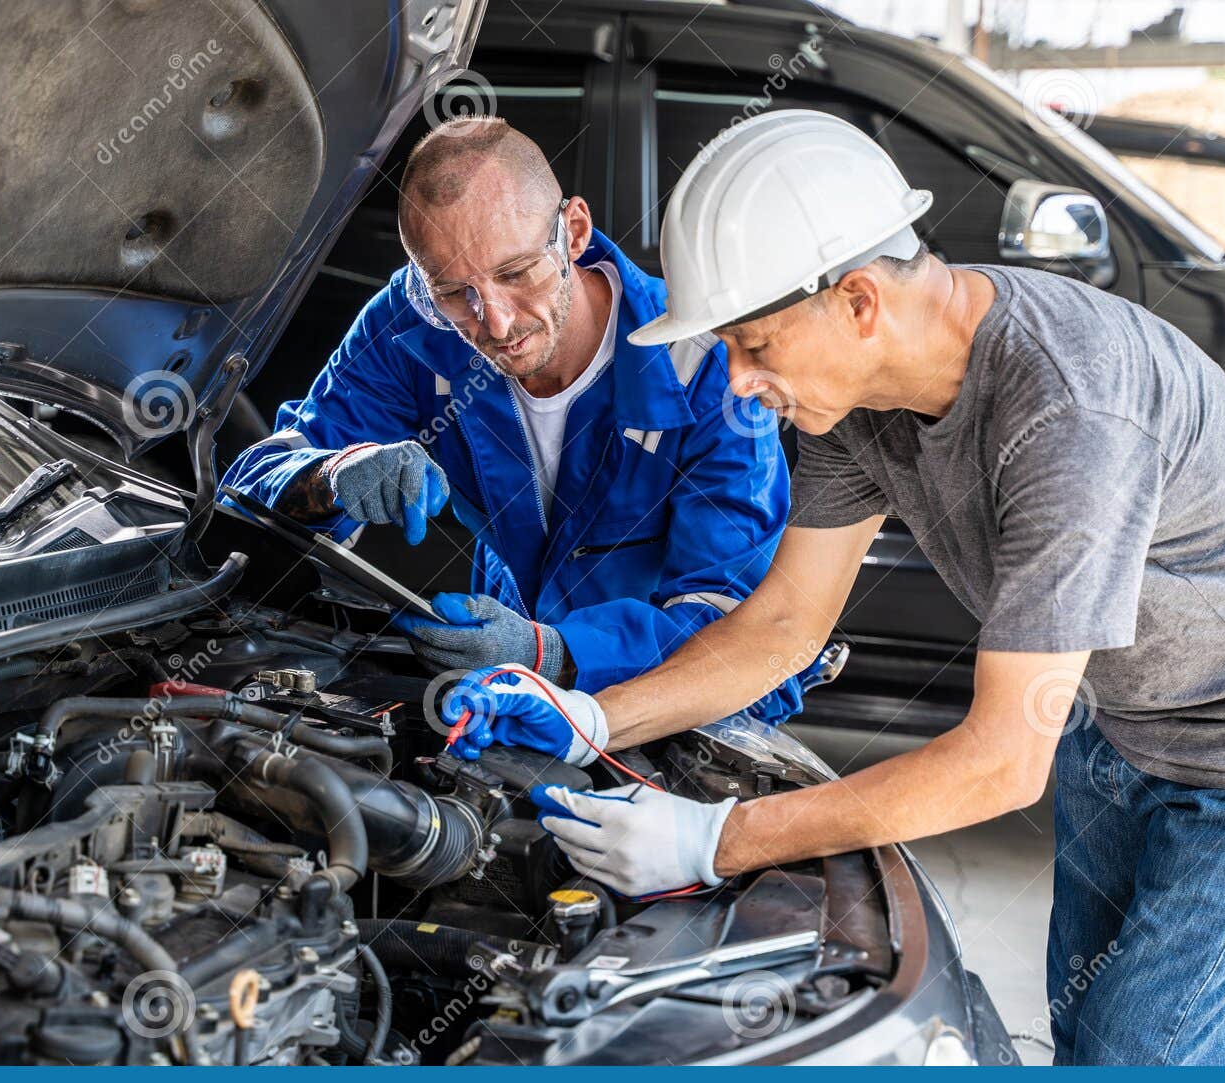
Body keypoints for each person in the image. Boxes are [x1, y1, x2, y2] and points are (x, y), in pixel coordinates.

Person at [440, 110, 1225, 1064]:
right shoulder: (860, 401)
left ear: (857, 300)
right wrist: (596, 719)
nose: (734, 383)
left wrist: (718, 841)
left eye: (756, 346)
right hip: (1122, 709)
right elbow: (782, 626)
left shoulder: (1067, 412)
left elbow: (1001, 762)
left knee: (1136, 1067)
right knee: (1088, 1024)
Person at [222, 116, 808, 720]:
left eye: (515, 273)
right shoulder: (411, 322)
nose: (494, 323)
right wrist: (334, 474)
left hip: (660, 714)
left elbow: (746, 633)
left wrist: (558, 653)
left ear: (573, 233)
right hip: (499, 702)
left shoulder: (707, 368)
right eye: (453, 292)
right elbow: (256, 484)